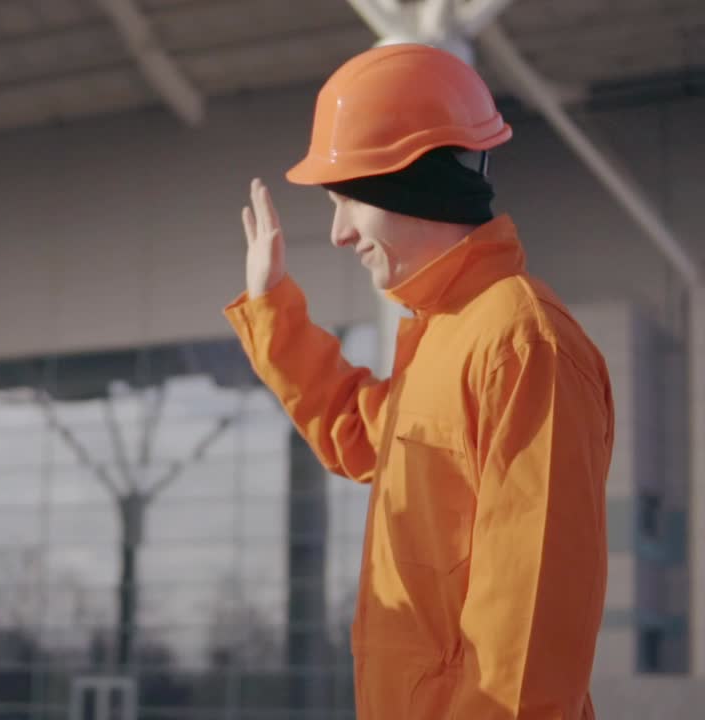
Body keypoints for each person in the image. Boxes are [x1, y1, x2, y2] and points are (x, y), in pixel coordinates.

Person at [224, 44, 613, 718]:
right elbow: (356, 433)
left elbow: (527, 648)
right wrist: (272, 310)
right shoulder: (447, 337)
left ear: (410, 183)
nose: (340, 234)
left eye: (348, 200)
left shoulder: (521, 343)